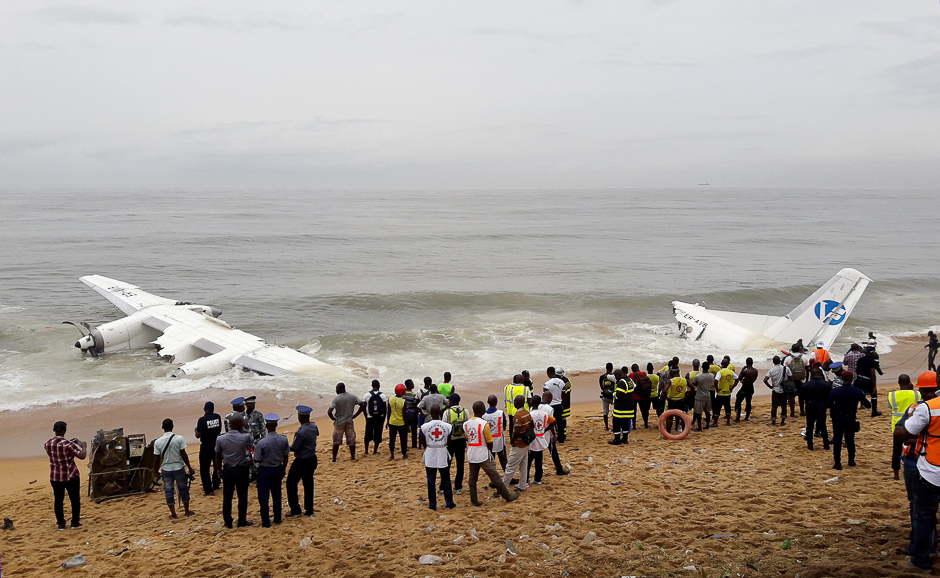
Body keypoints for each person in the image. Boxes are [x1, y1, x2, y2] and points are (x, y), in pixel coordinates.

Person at [894, 371, 940, 573]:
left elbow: (903, 432)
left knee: (924, 514)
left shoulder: (928, 408)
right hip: (928, 466)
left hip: (932, 468)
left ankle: (921, 561)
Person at [465, 401, 520, 505]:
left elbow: (468, 438)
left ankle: (474, 500)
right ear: (482, 410)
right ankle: (508, 496)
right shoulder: (483, 424)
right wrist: (489, 450)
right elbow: (489, 441)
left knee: (472, 478)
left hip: (471, 453)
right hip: (482, 453)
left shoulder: (466, 424)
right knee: (495, 476)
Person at [45, 421, 87, 530]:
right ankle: (74, 522)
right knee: (74, 499)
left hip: (55, 476)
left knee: (58, 500)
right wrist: (84, 447)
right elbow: (82, 456)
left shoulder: (48, 443)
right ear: (65, 430)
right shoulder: (68, 445)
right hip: (70, 475)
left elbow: (56, 451)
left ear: (54, 431)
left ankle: (61, 523)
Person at [215, 414, 254, 528]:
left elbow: (217, 455)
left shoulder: (220, 438)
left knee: (227, 497)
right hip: (241, 469)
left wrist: (218, 469)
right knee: (242, 497)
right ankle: (242, 521)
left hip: (227, 469)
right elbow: (251, 449)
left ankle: (228, 522)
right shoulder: (246, 437)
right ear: (239, 425)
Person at [827, 370, 870, 470]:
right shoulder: (857, 391)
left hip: (837, 417)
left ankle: (837, 462)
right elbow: (868, 405)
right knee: (850, 440)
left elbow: (828, 404)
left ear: (842, 379)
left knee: (837, 440)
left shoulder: (835, 391)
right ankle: (851, 460)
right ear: (852, 379)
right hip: (850, 417)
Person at [154, 418, 195, 519]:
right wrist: (189, 467)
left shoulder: (157, 442)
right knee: (183, 489)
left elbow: (156, 459)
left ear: (162, 428)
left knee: (169, 491)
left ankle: (173, 514)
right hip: (178, 467)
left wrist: (155, 471)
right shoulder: (179, 438)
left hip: (166, 470)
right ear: (173, 427)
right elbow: (184, 455)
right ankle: (186, 511)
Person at [254, 413, 290, 527]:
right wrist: (283, 468)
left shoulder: (262, 442)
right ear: (276, 425)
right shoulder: (283, 439)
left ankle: (266, 521)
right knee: (277, 494)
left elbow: (257, 459)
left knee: (264, 497)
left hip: (264, 470)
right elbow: (286, 456)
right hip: (277, 468)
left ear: (266, 425)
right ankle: (278, 518)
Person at [419, 404, 455, 510]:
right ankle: (449, 502)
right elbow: (449, 441)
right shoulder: (447, 426)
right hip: (442, 452)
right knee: (446, 479)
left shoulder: (424, 427)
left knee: (431, 480)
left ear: (430, 413)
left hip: (430, 452)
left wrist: (429, 447)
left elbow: (422, 441)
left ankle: (432, 504)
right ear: (440, 413)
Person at [286, 405, 319, 518]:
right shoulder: (313, 426)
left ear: (301, 417)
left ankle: (295, 508)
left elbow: (295, 447)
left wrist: (286, 447)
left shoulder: (301, 431)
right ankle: (309, 509)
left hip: (302, 460)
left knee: (291, 483)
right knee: (308, 484)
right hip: (312, 457)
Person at [889, 374, 923, 480]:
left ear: (898, 383)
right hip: (913, 424)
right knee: (915, 448)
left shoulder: (892, 395)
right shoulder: (917, 394)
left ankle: (896, 474)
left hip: (897, 426)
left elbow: (891, 407)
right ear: (909, 383)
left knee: (896, 450)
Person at [502, 395, 532, 491]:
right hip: (526, 443)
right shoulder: (527, 413)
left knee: (510, 467)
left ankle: (503, 489)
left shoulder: (518, 416)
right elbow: (532, 424)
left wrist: (512, 440)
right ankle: (522, 485)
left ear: (517, 403)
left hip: (519, 444)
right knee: (523, 465)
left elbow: (517, 431)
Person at [526, 395, 556, 485]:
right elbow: (553, 422)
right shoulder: (544, 414)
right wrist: (545, 430)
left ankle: (525, 480)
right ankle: (538, 479)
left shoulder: (530, 415)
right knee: (539, 461)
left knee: (528, 462)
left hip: (532, 441)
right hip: (541, 440)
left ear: (531, 402)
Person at [328, 383, 362, 462]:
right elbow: (362, 404)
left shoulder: (337, 399)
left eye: (336, 389)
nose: (336, 391)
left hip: (339, 422)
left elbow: (329, 411)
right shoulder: (352, 397)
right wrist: (355, 415)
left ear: (339, 389)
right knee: (351, 440)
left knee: (336, 440)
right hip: (349, 421)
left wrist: (333, 418)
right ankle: (353, 457)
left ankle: (334, 459)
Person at [194, 401, 222, 496]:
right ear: (213, 409)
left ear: (204, 409)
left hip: (206, 446)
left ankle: (208, 489)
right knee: (216, 465)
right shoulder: (218, 417)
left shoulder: (201, 420)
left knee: (204, 469)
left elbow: (198, 435)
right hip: (217, 445)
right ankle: (216, 484)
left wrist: (196, 431)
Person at [801, 368, 832, 451]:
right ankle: (826, 444)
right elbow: (829, 396)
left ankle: (810, 444)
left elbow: (802, 397)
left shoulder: (806, 385)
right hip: (822, 406)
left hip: (810, 406)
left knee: (810, 426)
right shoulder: (827, 385)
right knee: (823, 426)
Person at [444, 394, 470, 494]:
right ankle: (458, 487)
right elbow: (467, 426)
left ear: (452, 402)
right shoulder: (465, 411)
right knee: (460, 465)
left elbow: (444, 427)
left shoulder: (447, 412)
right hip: (462, 440)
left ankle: (444, 486)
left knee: (447, 465)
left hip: (450, 441)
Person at [539, 392, 570, 476]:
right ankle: (559, 469)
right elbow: (551, 423)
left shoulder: (535, 407)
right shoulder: (549, 409)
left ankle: (539, 471)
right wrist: (554, 435)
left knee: (538, 454)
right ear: (549, 398)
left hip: (537, 433)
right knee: (553, 452)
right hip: (547, 433)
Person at [608, 368, 636, 445]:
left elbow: (619, 395)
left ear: (617, 375)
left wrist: (613, 394)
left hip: (621, 409)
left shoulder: (621, 383)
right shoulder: (629, 380)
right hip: (629, 407)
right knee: (625, 423)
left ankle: (617, 439)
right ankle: (625, 438)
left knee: (616, 423)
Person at [855, 347, 884, 417]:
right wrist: (874, 387)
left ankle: (853, 411)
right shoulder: (873, 362)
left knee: (856, 395)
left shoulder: (860, 360)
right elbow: (873, 375)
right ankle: (874, 412)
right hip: (867, 380)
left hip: (858, 379)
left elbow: (856, 370)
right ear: (872, 353)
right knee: (873, 395)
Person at [361, 380, 387, 455]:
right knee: (378, 433)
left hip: (369, 417)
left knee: (368, 433)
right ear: (379, 385)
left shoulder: (366, 395)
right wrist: (384, 418)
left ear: (371, 385)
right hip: (379, 417)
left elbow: (363, 406)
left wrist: (366, 416)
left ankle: (366, 451)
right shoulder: (382, 395)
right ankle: (375, 450)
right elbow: (385, 408)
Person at [763, 355, 791, 426]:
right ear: (780, 361)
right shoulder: (786, 369)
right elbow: (790, 377)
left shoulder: (772, 370)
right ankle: (782, 421)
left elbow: (765, 380)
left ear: (773, 362)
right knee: (784, 406)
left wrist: (770, 386)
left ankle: (773, 421)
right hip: (784, 390)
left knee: (774, 406)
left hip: (775, 390)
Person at [483, 394, 508, 471]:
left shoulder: (484, 415)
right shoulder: (500, 413)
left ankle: (493, 479)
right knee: (503, 460)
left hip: (489, 441)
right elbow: (504, 425)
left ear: (487, 402)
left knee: (491, 460)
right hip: (499, 440)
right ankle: (508, 477)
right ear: (497, 402)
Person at [784, 345, 809, 417]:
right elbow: (807, 370)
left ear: (791, 350)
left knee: (792, 397)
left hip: (791, 380)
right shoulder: (804, 357)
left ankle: (792, 413)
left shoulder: (788, 358)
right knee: (801, 397)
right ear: (800, 349)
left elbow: (785, 370)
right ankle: (802, 411)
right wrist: (806, 380)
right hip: (802, 380)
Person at [662, 367, 689, 435]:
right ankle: (683, 432)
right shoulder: (684, 380)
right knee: (682, 417)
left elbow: (664, 390)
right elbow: (692, 388)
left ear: (672, 373)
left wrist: (667, 398)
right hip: (681, 400)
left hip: (672, 401)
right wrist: (686, 396)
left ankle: (668, 432)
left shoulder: (671, 381)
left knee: (670, 417)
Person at [543, 367, 566, 444]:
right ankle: (561, 439)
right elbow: (564, 395)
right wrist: (562, 404)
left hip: (550, 406)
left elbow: (545, 396)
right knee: (560, 423)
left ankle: (551, 438)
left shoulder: (547, 384)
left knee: (550, 423)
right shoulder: (562, 382)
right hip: (559, 404)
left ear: (548, 373)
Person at [387, 383, 408, 460]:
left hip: (392, 422)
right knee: (403, 439)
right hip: (401, 423)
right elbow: (404, 415)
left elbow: (389, 412)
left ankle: (392, 455)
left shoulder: (390, 399)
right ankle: (404, 454)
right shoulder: (403, 401)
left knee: (392, 439)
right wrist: (407, 425)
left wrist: (387, 421)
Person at [713, 360, 737, 426]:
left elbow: (715, 381)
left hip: (720, 393)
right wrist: (732, 387)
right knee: (727, 407)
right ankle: (728, 422)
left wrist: (717, 389)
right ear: (728, 364)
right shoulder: (731, 372)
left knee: (717, 407)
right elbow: (737, 379)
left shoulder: (720, 372)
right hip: (728, 393)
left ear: (721, 364)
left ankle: (715, 422)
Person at [629, 364, 654, 428]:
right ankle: (646, 424)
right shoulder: (644, 373)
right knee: (644, 410)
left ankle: (634, 425)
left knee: (634, 411)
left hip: (634, 395)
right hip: (642, 395)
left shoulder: (632, 375)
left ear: (632, 369)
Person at [691, 366, 714, 431]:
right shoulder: (711, 375)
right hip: (708, 395)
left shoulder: (698, 377)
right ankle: (707, 425)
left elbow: (694, 384)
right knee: (707, 411)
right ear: (709, 367)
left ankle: (699, 427)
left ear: (702, 367)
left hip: (700, 396)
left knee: (698, 412)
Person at [599, 364, 616, 431]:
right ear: (612, 368)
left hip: (605, 396)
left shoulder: (602, 377)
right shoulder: (614, 377)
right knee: (614, 412)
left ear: (606, 368)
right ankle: (614, 426)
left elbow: (601, 387)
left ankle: (606, 427)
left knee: (605, 412)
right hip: (613, 396)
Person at [403, 379, 420, 449]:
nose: (413, 385)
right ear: (409, 385)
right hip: (412, 414)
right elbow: (416, 404)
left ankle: (405, 444)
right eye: (412, 384)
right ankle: (414, 445)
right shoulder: (414, 395)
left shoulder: (403, 394)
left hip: (405, 414)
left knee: (405, 430)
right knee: (414, 430)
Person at [557, 367, 572, 442]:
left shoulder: (562, 382)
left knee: (560, 420)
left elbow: (564, 394)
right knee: (563, 419)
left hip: (562, 403)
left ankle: (562, 434)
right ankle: (563, 433)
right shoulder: (567, 381)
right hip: (566, 403)